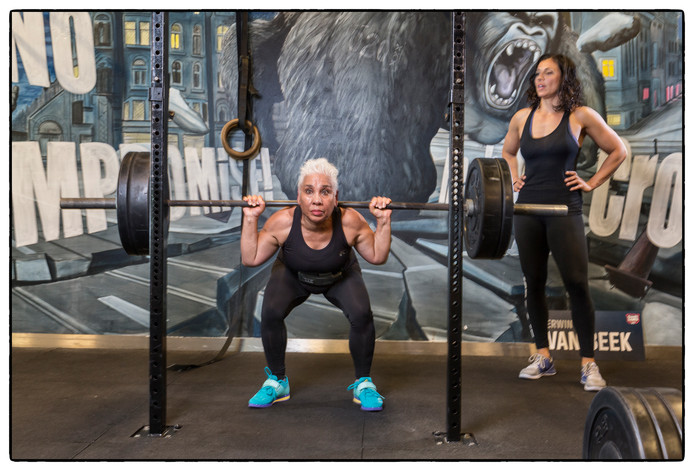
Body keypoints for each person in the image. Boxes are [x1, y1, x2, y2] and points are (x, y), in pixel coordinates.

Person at [501, 54, 626, 391]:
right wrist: (515, 178)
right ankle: (543, 355)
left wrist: (591, 182)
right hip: (528, 212)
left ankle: (589, 364)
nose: (540, 79)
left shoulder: (580, 116)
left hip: (564, 210)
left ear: (564, 77)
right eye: (537, 74)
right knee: (534, 283)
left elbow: (618, 150)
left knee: (577, 284)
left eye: (548, 73)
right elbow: (508, 152)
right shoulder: (522, 117)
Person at [240, 158, 392, 410]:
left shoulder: (350, 221)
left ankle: (364, 383)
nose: (317, 200)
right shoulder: (282, 222)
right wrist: (250, 218)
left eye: (325, 192)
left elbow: (377, 256)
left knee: (362, 314)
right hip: (293, 275)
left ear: (335, 197)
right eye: (309, 191)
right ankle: (277, 382)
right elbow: (250, 257)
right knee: (270, 311)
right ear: (298, 196)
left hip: (339, 276)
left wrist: (383, 221)